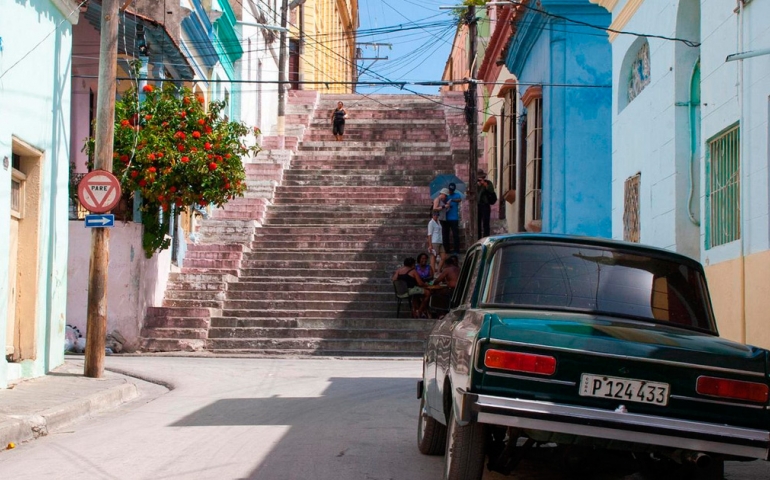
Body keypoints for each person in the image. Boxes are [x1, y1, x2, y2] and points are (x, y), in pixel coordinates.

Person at [444, 183, 464, 254]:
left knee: (455, 235)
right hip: (446, 218)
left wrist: (452, 200)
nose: (450, 191)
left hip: (454, 218)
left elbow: (459, 200)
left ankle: (456, 250)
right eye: (450, 190)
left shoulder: (456, 195)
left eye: (452, 190)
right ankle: (447, 249)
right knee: (446, 235)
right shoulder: (446, 195)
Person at [477, 169, 496, 238]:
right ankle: (478, 238)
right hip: (477, 206)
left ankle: (486, 237)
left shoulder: (488, 183)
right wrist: (477, 186)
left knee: (486, 223)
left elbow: (491, 190)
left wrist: (485, 185)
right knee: (477, 224)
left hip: (485, 204)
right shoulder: (474, 184)